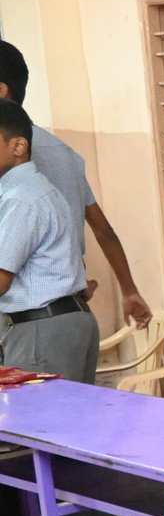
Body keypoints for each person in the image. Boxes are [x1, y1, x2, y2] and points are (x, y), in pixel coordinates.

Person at [0, 41, 151, 516]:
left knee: (45, 442)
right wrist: (128, 289)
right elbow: (99, 228)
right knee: (78, 438)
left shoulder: (21, 183)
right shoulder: (60, 153)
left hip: (40, 321)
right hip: (68, 311)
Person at [0, 99, 94, 388]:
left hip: (40, 329)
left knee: (34, 415)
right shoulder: (35, 189)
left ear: (18, 146)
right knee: (68, 417)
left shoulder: (21, 198)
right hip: (60, 323)